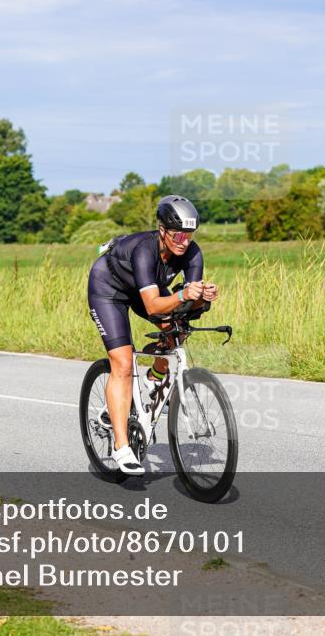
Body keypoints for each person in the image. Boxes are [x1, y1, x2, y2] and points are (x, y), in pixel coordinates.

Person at [86, 195, 219, 475]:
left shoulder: (192, 253)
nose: (184, 241)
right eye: (178, 234)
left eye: (189, 234)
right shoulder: (144, 250)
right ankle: (121, 447)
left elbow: (185, 305)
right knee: (122, 362)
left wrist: (203, 297)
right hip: (108, 289)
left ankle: (153, 379)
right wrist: (183, 294)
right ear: (162, 231)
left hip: (146, 289)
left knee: (177, 329)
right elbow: (152, 306)